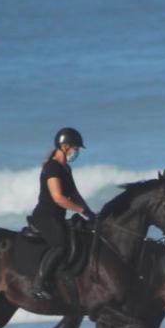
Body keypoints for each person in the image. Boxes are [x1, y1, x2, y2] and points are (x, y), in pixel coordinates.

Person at [31, 127, 95, 300]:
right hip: (44, 216)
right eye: (76, 148)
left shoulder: (66, 168)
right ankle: (38, 284)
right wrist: (81, 210)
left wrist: (89, 212)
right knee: (61, 244)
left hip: (58, 217)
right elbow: (58, 198)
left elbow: (74, 194)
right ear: (65, 146)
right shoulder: (52, 167)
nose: (77, 152)